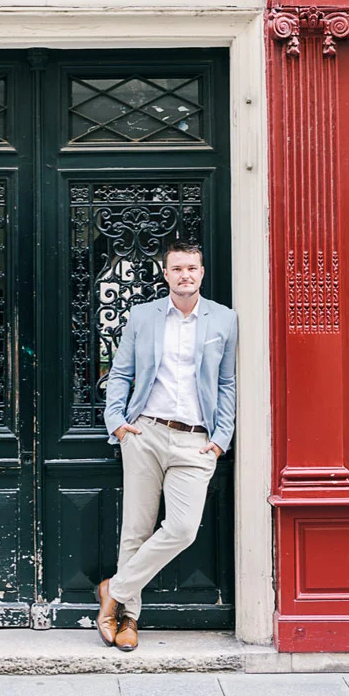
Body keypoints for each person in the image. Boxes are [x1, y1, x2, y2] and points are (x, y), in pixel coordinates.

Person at [96, 241, 238, 651]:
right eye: (177, 269)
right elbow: (120, 373)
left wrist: (220, 438)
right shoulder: (143, 317)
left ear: (202, 271)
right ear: (165, 273)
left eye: (191, 268)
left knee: (181, 528)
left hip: (196, 440)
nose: (185, 276)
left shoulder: (224, 321)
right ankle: (128, 620)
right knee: (135, 531)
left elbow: (226, 383)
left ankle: (114, 589)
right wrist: (118, 424)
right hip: (145, 433)